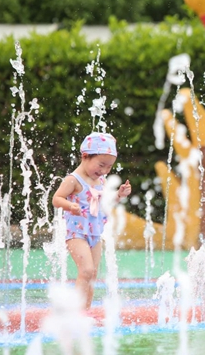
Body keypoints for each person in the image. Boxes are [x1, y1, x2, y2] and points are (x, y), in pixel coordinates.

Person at [52, 132, 131, 311]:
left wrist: (119, 195)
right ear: (85, 156)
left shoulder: (100, 180)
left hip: (95, 232)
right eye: (101, 165)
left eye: (109, 167)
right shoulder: (73, 180)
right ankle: (75, 312)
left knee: (93, 274)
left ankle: (85, 312)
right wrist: (70, 205)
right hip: (76, 233)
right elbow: (56, 199)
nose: (104, 171)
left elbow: (106, 202)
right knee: (86, 270)